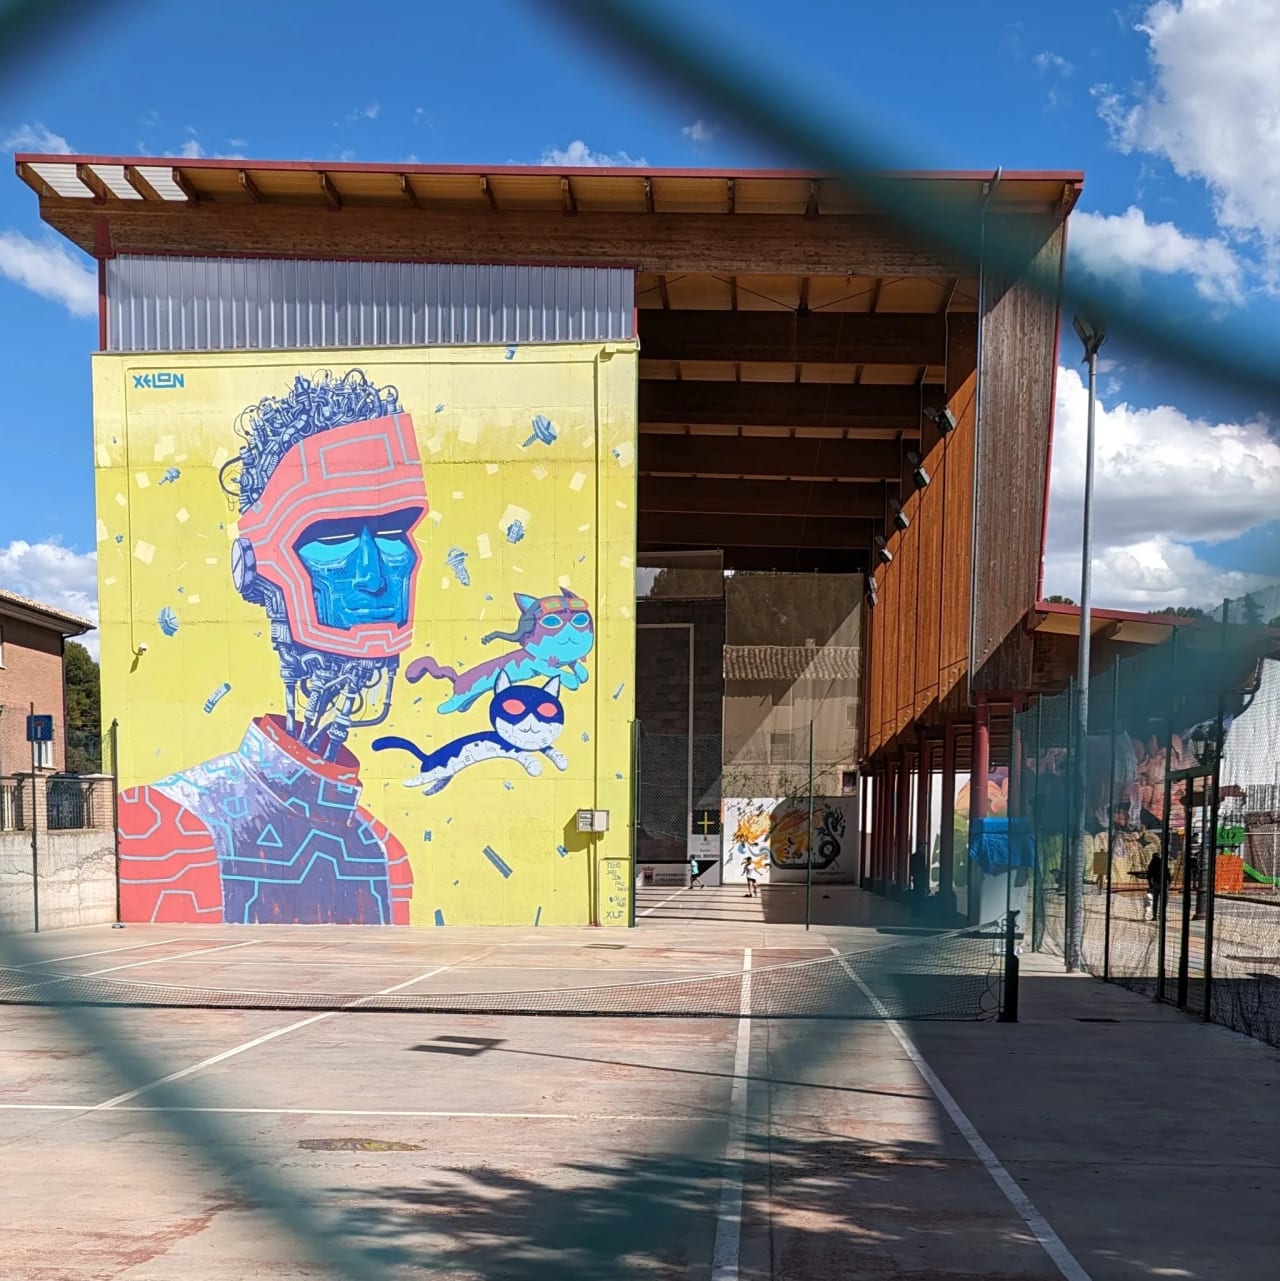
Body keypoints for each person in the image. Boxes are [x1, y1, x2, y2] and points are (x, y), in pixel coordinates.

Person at [1146, 849, 1170, 923]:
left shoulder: (1151, 864)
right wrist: (1169, 882)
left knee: (1155, 901)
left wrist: (1150, 885)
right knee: (1164, 901)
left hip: (1155, 884)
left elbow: (1149, 876)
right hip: (1163, 884)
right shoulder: (1162, 863)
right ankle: (1162, 916)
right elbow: (1167, 873)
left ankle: (1155, 916)